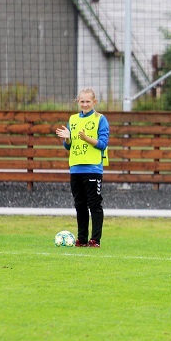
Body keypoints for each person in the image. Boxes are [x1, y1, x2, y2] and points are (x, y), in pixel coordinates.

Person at [55, 88, 110, 248]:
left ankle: (95, 240)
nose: (85, 104)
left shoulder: (100, 119)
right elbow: (68, 146)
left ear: (94, 102)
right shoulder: (72, 119)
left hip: (93, 169)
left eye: (88, 101)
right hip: (76, 169)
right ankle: (82, 239)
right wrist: (68, 139)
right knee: (79, 205)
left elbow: (102, 143)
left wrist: (86, 138)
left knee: (94, 204)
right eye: (82, 101)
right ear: (77, 101)